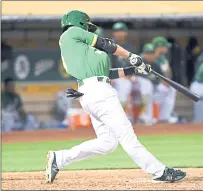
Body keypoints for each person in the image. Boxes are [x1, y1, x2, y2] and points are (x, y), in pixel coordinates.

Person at [45, 10, 186, 184]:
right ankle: (159, 172)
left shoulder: (81, 50)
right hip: (99, 92)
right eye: (87, 27)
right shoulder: (72, 32)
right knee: (127, 135)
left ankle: (60, 158)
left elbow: (107, 74)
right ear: (80, 23)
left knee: (107, 143)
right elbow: (107, 45)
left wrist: (134, 69)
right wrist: (132, 56)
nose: (90, 31)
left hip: (93, 91)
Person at [110, 22, 137, 119]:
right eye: (117, 31)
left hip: (128, 76)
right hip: (114, 76)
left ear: (126, 33)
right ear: (113, 33)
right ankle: (121, 116)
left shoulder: (131, 48)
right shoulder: (109, 46)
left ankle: (142, 117)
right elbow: (108, 64)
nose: (119, 33)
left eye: (121, 31)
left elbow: (135, 65)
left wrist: (131, 75)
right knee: (123, 86)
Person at [152, 36, 178, 123]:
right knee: (161, 90)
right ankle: (155, 116)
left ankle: (165, 116)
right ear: (159, 47)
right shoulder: (149, 56)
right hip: (151, 84)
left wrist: (166, 81)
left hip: (161, 84)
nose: (166, 48)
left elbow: (168, 73)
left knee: (172, 89)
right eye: (164, 46)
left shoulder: (163, 58)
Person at [135, 43, 163, 125]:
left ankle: (152, 116)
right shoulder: (138, 61)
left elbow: (160, 77)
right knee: (147, 85)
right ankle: (144, 114)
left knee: (157, 90)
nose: (149, 56)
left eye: (151, 53)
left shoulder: (156, 64)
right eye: (147, 53)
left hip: (149, 86)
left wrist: (154, 80)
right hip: (135, 83)